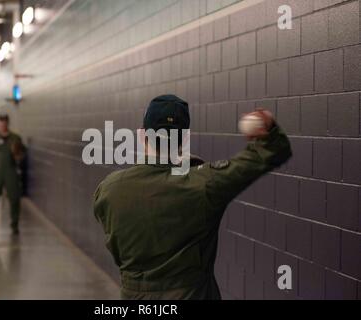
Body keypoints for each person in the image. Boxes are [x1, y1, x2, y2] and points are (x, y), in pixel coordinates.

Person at [93, 95, 292, 300]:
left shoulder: (108, 190)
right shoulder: (204, 184)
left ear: (141, 135)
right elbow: (275, 150)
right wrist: (266, 128)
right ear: (185, 139)